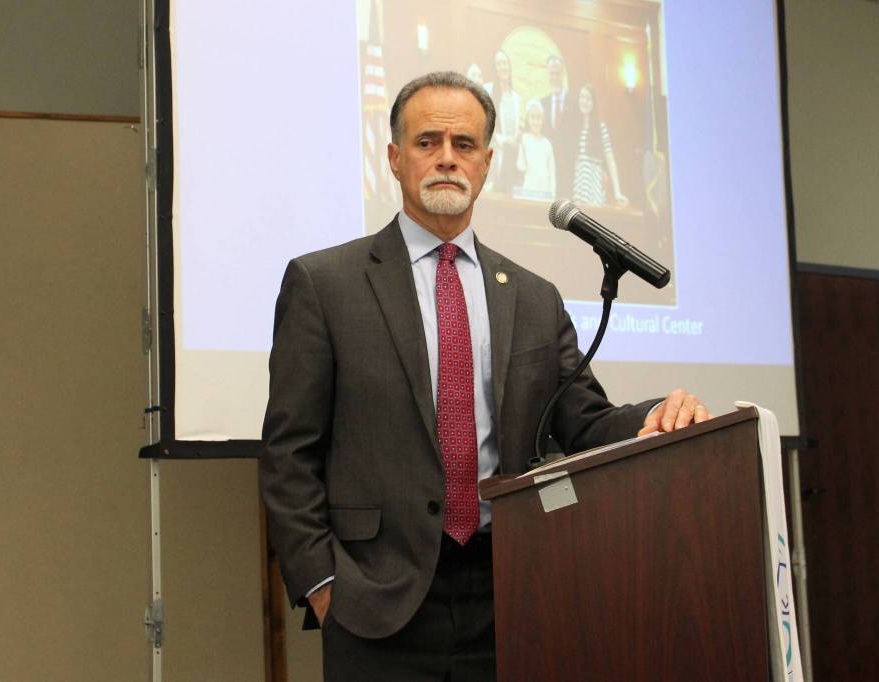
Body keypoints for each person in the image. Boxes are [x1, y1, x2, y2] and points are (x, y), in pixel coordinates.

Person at [260, 71, 708, 682]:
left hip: (510, 591)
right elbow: (290, 452)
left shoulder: (533, 296)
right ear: (394, 158)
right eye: (427, 142)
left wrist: (655, 415)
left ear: (489, 162)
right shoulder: (325, 284)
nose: (447, 158)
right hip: (375, 601)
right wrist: (323, 584)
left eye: (464, 144)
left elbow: (584, 422)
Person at [572, 83, 629, 207]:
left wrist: (617, 192)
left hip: (594, 184)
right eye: (582, 97)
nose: (584, 101)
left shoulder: (600, 127)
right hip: (578, 185)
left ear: (593, 103)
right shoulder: (574, 126)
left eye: (588, 98)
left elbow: (610, 160)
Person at [482, 50, 521, 195]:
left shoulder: (516, 98)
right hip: (494, 155)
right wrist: (504, 139)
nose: (503, 67)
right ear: (495, 68)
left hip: (511, 158)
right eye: (499, 64)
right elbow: (485, 123)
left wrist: (516, 138)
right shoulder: (488, 90)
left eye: (505, 63)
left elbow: (517, 128)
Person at [540, 54, 576, 198]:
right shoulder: (542, 104)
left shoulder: (574, 104)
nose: (554, 77)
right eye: (551, 73)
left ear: (562, 75)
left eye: (557, 73)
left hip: (568, 167)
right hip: (548, 168)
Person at [516, 100, 556, 200]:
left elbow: (552, 171)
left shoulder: (547, 144)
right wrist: (521, 146)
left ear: (542, 120)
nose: (535, 121)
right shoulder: (525, 139)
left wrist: (552, 193)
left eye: (538, 118)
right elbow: (521, 166)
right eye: (532, 117)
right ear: (528, 119)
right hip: (529, 189)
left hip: (544, 191)